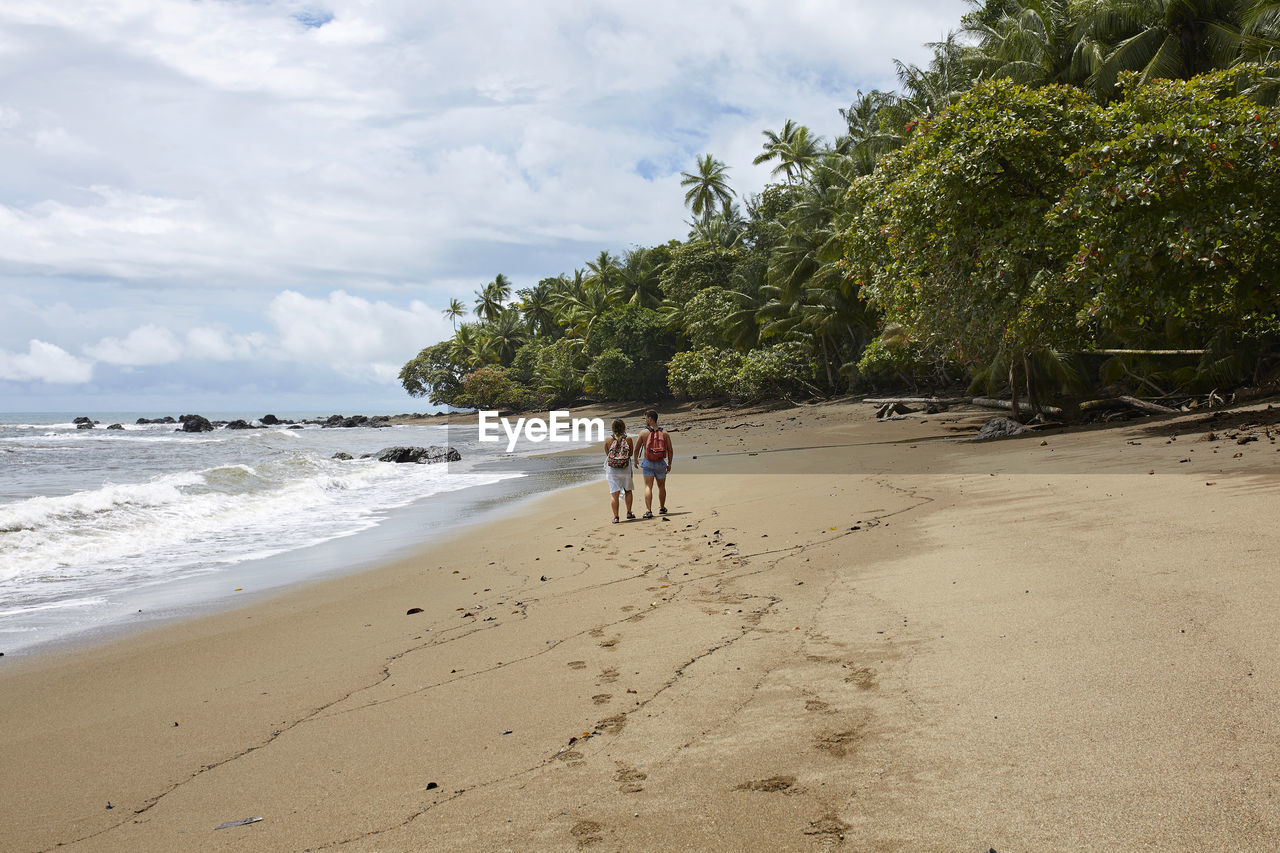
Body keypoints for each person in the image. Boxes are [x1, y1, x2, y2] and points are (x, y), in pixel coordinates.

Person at [633, 408, 673, 519]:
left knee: (648, 487)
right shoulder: (664, 433)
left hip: (648, 463)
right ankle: (662, 508)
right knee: (661, 487)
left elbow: (636, 449)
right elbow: (670, 450)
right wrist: (669, 463)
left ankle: (648, 511)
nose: (645, 420)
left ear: (650, 419)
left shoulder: (643, 433)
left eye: (646, 418)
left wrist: (635, 460)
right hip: (660, 462)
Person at [604, 418, 635, 524]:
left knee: (614, 494)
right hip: (625, 468)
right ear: (624, 427)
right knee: (628, 490)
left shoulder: (608, 439)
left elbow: (607, 454)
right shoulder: (629, 439)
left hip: (613, 469)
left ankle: (616, 517)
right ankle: (629, 512)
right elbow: (630, 454)